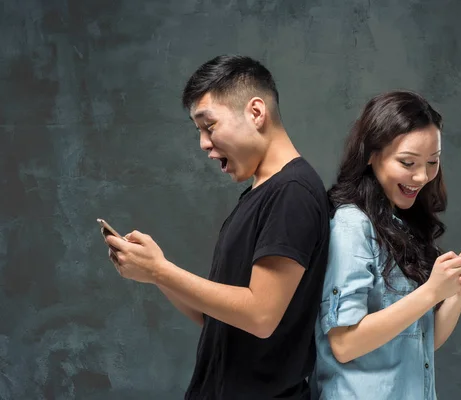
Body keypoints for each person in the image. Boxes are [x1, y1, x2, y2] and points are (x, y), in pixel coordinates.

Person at [103, 55, 330, 399]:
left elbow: (260, 314)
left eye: (209, 126)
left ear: (256, 113)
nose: (204, 144)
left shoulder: (292, 193)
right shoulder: (259, 193)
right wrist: (154, 273)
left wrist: (162, 271)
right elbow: (218, 317)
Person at [312, 91, 461, 399]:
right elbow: (344, 345)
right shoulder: (352, 225)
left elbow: (421, 341)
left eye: (432, 162)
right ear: (371, 154)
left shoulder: (401, 224)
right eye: (408, 162)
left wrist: (458, 293)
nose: (422, 176)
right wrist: (431, 292)